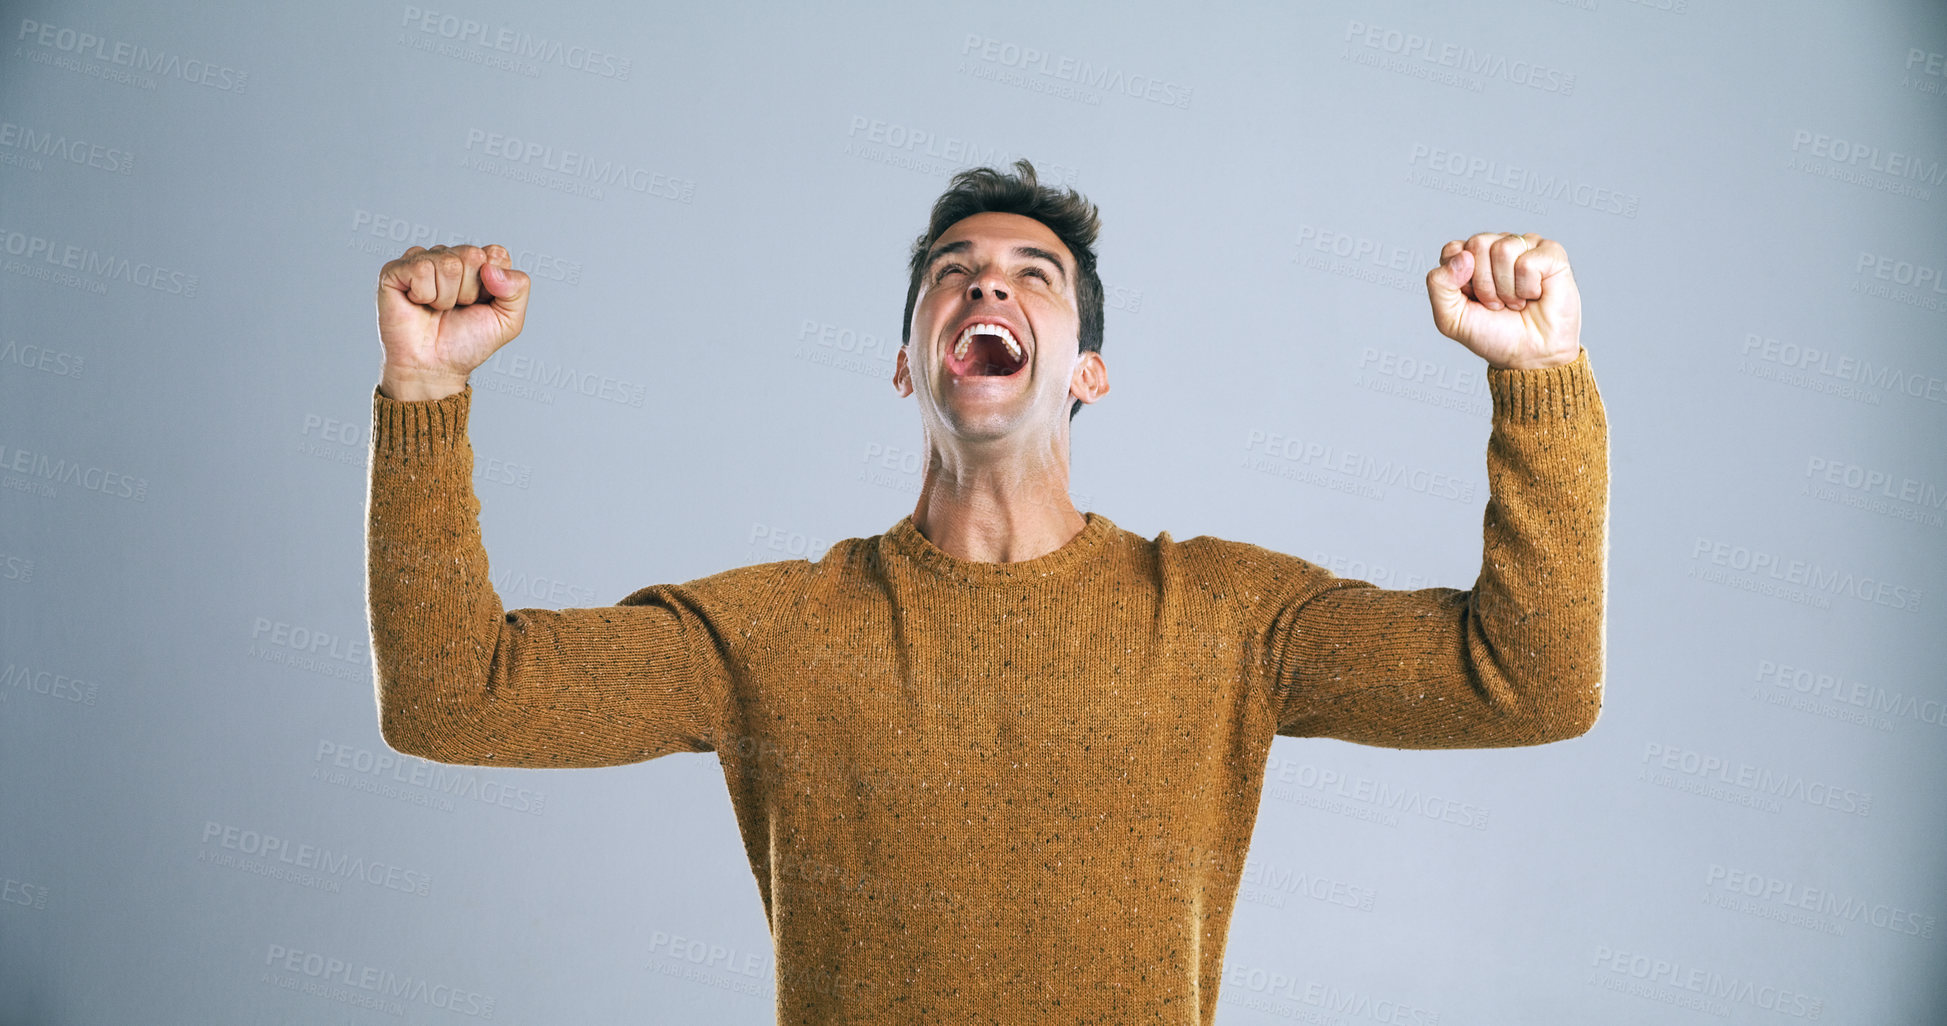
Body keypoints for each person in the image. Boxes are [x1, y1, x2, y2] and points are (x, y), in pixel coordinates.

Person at [366, 160, 1605, 1024]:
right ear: (908, 366)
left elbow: (1529, 683)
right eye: (954, 273)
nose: (989, 286)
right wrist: (424, 392)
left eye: (1035, 275)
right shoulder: (775, 636)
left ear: (1092, 372)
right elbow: (456, 699)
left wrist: (1541, 378)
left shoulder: (1228, 620)